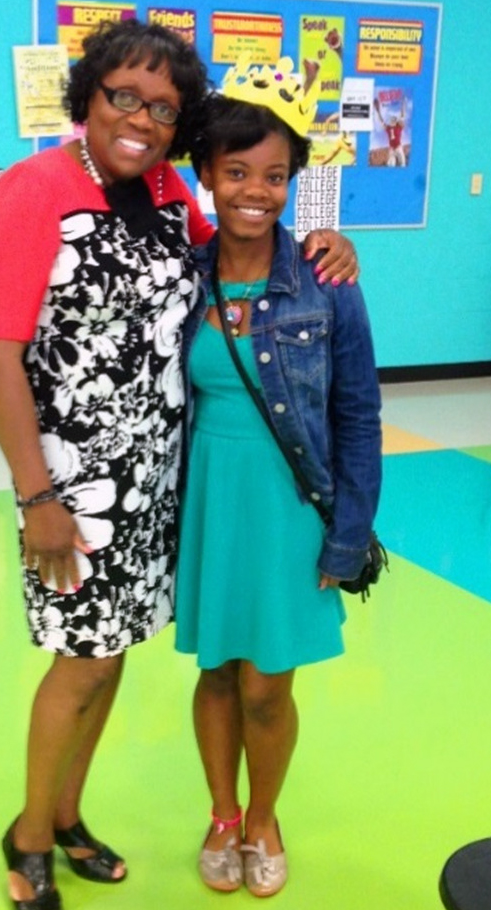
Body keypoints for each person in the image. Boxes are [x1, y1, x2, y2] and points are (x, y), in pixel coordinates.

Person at [0, 20, 360, 910]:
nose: (143, 118)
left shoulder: (158, 192)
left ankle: (69, 817)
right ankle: (30, 832)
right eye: (124, 96)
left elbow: (239, 238)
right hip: (69, 485)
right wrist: (37, 495)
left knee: (112, 661)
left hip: (158, 478)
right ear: (89, 96)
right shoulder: (33, 191)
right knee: (81, 663)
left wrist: (333, 243)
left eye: (164, 108)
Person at [174, 71, 382, 898]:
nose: (255, 191)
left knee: (267, 683)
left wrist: (350, 533)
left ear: (292, 180)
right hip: (208, 501)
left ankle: (265, 817)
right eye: (236, 172)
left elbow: (360, 416)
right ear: (208, 175)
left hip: (291, 506)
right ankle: (222, 815)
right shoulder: (179, 279)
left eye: (274, 175)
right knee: (217, 669)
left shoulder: (328, 282)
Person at [374, 94, 407, 167]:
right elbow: (381, 121)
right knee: (391, 164)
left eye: (394, 119)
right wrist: (378, 112)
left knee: (402, 163)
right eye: (391, 119)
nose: (392, 120)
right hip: (392, 148)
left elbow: (402, 115)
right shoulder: (388, 128)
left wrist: (403, 105)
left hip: (398, 147)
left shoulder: (399, 127)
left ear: (396, 121)